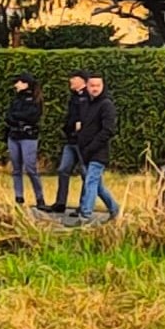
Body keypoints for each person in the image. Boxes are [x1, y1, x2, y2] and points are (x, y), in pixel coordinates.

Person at [67, 70, 120, 225]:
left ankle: (85, 216)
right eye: (92, 85)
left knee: (90, 182)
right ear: (87, 86)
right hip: (85, 151)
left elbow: (108, 130)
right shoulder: (86, 104)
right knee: (97, 185)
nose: (95, 88)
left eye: (98, 85)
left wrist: (92, 146)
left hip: (99, 152)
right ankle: (115, 209)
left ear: (103, 86)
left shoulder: (107, 105)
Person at [43, 73, 87, 214]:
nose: (70, 81)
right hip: (70, 140)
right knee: (63, 169)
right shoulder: (73, 97)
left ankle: (84, 205)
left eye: (74, 78)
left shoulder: (88, 97)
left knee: (85, 173)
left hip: (83, 141)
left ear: (82, 81)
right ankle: (60, 203)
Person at [6, 73, 47, 211]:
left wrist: (17, 117)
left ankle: (40, 197)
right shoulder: (16, 99)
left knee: (30, 168)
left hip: (28, 136)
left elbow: (32, 117)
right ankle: (18, 197)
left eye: (18, 82)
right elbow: (9, 116)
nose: (15, 85)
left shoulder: (35, 100)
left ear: (25, 84)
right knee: (16, 169)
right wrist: (18, 118)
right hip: (14, 135)